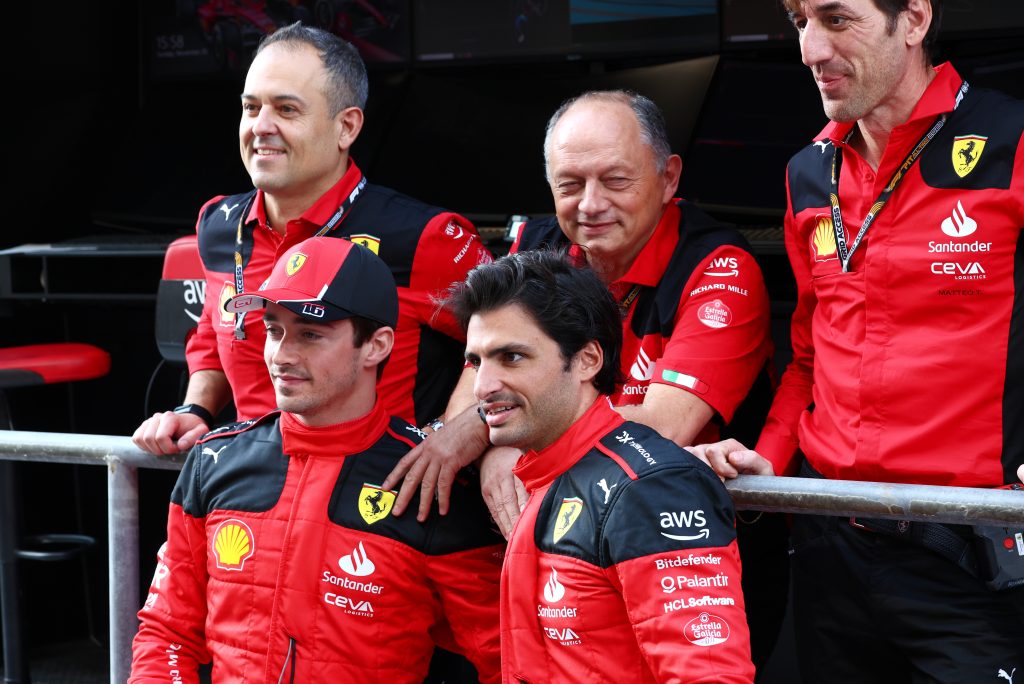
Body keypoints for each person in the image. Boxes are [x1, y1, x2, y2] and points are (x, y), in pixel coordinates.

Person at [383, 90, 785, 669]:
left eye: (615, 180)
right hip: (557, 557)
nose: (590, 205)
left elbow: (660, 430)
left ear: (669, 177)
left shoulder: (719, 264)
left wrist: (501, 439)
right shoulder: (535, 246)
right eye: (570, 184)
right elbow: (482, 366)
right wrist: (492, 433)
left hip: (681, 557)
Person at [692, 0, 1024, 680]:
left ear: (915, 19)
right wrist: (770, 461)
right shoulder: (807, 172)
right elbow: (810, 354)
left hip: (967, 550)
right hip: (830, 539)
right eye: (799, 22)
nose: (812, 49)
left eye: (837, 19)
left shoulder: (1011, 142)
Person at [129, 236, 503, 683]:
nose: (282, 355)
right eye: (273, 329)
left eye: (310, 334)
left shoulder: (428, 480)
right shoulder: (216, 459)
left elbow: (505, 658)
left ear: (377, 345)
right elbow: (167, 631)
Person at [132, 22, 491, 455]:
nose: (260, 127)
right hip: (251, 501)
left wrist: (452, 432)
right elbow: (214, 330)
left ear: (347, 127)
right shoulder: (219, 224)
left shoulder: (422, 236)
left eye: (286, 109)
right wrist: (197, 409)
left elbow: (511, 341)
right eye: (251, 108)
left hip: (381, 507)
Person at [448, 249, 754, 683]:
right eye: (476, 362)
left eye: (512, 357)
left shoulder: (650, 488)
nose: (483, 387)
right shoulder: (547, 469)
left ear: (588, 360)